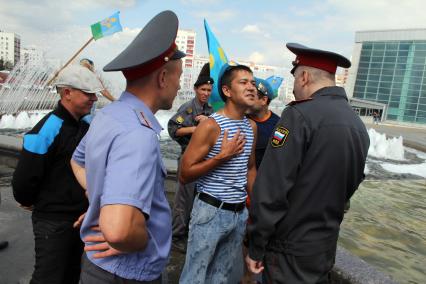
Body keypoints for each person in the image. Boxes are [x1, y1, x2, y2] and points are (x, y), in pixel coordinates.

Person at [70, 10, 185, 283]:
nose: (180, 86)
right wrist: (124, 232)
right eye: (178, 77)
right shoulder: (138, 134)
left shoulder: (109, 114)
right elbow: (120, 232)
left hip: (98, 267)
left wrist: (102, 201)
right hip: (127, 273)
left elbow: (77, 160)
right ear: (162, 78)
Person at [246, 43, 370, 284]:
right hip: (323, 249)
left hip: (286, 252)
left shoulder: (298, 116)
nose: (293, 91)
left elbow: (272, 189)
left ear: (303, 77)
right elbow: (349, 187)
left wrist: (255, 245)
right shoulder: (357, 125)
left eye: (294, 81)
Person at [12, 64, 103, 284]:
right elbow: (24, 180)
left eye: (94, 94)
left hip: (82, 217)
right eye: (88, 94)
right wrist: (33, 201)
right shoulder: (47, 129)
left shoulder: (89, 124)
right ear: (67, 93)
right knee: (49, 277)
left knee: (73, 274)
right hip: (53, 221)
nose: (94, 99)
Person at [179, 62, 257, 284]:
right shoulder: (211, 126)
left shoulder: (251, 127)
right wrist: (220, 157)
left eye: (253, 82)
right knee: (194, 277)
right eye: (243, 82)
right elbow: (185, 174)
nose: (251, 87)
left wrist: (258, 208)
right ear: (227, 91)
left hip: (238, 214)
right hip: (210, 211)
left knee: (220, 278)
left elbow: (250, 168)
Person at [167, 63, 214, 253]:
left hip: (203, 160)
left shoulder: (210, 110)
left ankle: (188, 233)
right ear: (196, 89)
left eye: (209, 90)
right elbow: (173, 129)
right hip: (188, 157)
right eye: (203, 89)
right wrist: (197, 128)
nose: (206, 93)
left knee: (196, 199)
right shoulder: (188, 109)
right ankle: (176, 235)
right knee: (183, 200)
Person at [247, 77, 280, 169]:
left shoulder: (279, 126)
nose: (246, 100)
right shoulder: (239, 120)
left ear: (264, 100)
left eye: (251, 96)